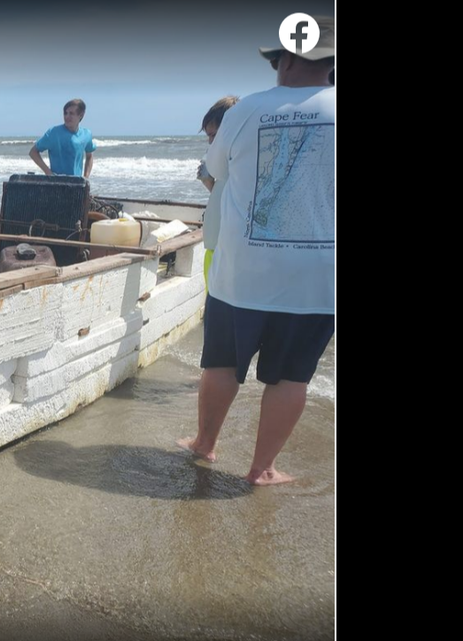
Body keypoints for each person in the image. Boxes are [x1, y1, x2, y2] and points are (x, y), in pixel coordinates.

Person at [178, 16, 335, 486]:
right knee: (290, 378)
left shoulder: (246, 109)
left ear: (284, 60)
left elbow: (214, 170)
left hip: (243, 269)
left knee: (222, 362)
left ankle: (205, 445)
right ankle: (261, 469)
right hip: (317, 276)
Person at [195, 96, 239, 284]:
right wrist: (209, 181)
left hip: (228, 249)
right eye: (208, 136)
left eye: (214, 136)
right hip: (214, 243)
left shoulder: (240, 160)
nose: (210, 142)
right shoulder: (227, 160)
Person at [28, 98, 96, 178]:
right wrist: (48, 173)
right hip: (57, 183)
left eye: (71, 113)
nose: (67, 116)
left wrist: (86, 178)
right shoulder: (53, 133)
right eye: (65, 113)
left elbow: (89, 156)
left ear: (81, 115)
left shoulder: (86, 134)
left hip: (77, 184)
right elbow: (33, 152)